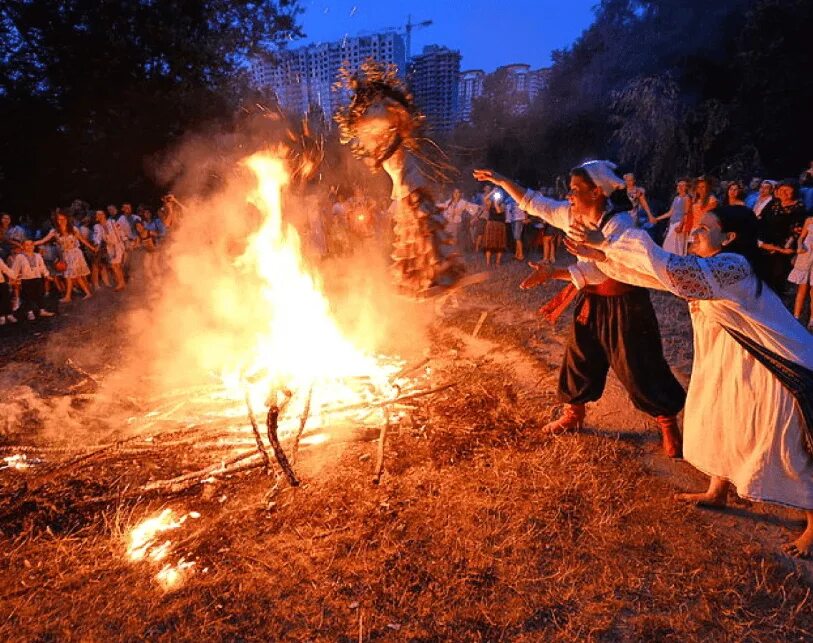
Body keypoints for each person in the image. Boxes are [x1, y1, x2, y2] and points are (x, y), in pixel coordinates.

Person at [569, 205, 813, 558]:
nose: (694, 233)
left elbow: (670, 269)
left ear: (728, 238)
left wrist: (611, 240)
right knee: (723, 419)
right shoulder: (711, 268)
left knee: (782, 442)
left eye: (704, 228)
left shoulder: (733, 266)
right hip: (735, 362)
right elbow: (656, 276)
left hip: (777, 366)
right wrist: (602, 253)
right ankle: (719, 489)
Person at [473, 161, 686, 456]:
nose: (569, 195)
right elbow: (535, 203)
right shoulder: (572, 215)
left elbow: (606, 267)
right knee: (579, 355)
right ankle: (574, 414)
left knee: (639, 363)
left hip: (625, 303)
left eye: (575, 189)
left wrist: (556, 273)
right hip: (592, 299)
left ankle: (666, 422)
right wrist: (501, 179)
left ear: (596, 192)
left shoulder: (619, 224)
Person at [758, 181, 806, 295]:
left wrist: (782, 248)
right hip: (765, 241)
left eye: (787, 190)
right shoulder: (773, 203)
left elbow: (796, 230)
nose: (784, 193)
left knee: (778, 272)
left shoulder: (798, 207)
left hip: (784, 244)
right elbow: (761, 219)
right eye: (781, 190)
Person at [34, 211, 94, 303]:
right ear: (56, 221)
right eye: (59, 219)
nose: (61, 221)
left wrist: (92, 248)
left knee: (70, 275)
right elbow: (43, 240)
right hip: (66, 255)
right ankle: (85, 293)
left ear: (67, 219)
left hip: (75, 254)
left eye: (63, 219)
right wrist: (30, 244)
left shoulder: (73, 229)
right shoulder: (54, 231)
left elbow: (82, 239)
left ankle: (69, 296)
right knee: (73, 275)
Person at [10, 240, 55, 320]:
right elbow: (15, 269)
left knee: (39, 295)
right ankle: (30, 313)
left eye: (31, 244)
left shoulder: (38, 255)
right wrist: (13, 278)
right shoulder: (20, 257)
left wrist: (47, 275)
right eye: (27, 245)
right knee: (28, 297)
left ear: (34, 246)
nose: (29, 246)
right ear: (23, 247)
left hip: (37, 278)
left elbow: (42, 267)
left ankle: (42, 310)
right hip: (26, 279)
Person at [655, 178, 692, 255]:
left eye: (683, 186)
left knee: (677, 245)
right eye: (679, 186)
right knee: (668, 245)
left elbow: (686, 213)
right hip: (672, 223)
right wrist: (657, 218)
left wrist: (681, 226)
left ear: (686, 187)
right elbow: (670, 212)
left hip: (679, 224)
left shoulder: (687, 198)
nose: (680, 187)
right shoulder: (676, 198)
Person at [437, 188, 479, 254]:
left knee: (455, 239)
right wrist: (436, 205)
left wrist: (476, 214)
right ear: (453, 194)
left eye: (458, 193)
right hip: (449, 222)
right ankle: (447, 252)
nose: (456, 194)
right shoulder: (449, 202)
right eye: (455, 193)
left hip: (457, 223)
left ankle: (455, 253)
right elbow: (443, 206)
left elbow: (471, 208)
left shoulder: (463, 203)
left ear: (460, 194)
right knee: (447, 237)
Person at [788, 215, 813, 327]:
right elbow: (801, 237)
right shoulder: (809, 220)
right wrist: (799, 246)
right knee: (802, 288)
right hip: (806, 255)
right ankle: (796, 317)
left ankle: (812, 320)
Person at [92, 210, 126, 291]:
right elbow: (97, 237)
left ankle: (120, 283)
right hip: (110, 247)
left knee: (115, 265)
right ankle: (122, 282)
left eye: (101, 214)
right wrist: (96, 245)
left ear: (104, 215)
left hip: (118, 244)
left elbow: (120, 231)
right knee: (116, 265)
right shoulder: (97, 226)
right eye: (97, 214)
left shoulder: (112, 221)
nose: (99, 215)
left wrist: (125, 240)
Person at [481, 191, 507, 268]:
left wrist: (496, 203)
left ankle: (497, 262)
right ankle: (488, 262)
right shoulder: (490, 203)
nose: (497, 197)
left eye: (499, 196)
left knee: (500, 243)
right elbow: (485, 199)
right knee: (489, 243)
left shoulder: (503, 204)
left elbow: (499, 211)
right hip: (491, 224)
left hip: (500, 225)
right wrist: (492, 192)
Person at [0, 254, 18, 325]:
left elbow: (5, 269)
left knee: (6, 299)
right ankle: (1, 317)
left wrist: (14, 276)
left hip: (1, 282)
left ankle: (9, 315)